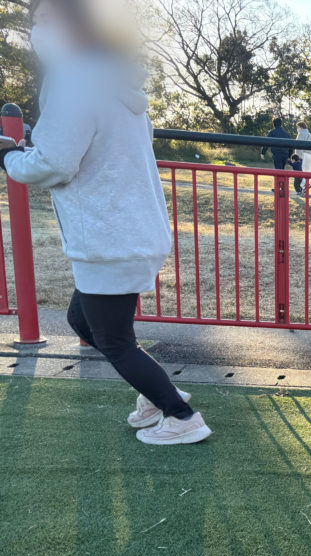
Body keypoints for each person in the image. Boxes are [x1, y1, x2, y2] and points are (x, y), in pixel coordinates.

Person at [1, 0, 211, 445]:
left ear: (79, 25)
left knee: (113, 339)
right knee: (82, 320)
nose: (40, 30)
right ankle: (159, 393)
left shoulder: (72, 77)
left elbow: (56, 162)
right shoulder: (111, 76)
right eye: (35, 21)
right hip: (129, 229)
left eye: (50, 19)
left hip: (107, 234)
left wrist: (10, 159)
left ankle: (181, 416)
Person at [294, 121, 311, 193]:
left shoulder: (300, 134)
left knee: (302, 172)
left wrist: (297, 157)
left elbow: (298, 146)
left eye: (298, 127)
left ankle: (303, 186)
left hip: (303, 155)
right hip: (310, 155)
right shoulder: (310, 135)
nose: (297, 129)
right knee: (308, 172)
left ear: (301, 127)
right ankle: (307, 184)